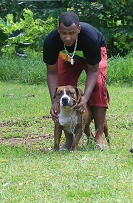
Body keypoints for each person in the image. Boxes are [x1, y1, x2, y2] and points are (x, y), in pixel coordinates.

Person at [43, 11, 109, 148]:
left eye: (72, 33)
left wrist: (84, 99)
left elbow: (93, 70)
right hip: (67, 57)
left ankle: (99, 135)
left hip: (93, 58)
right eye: (63, 33)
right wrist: (55, 101)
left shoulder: (90, 38)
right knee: (63, 88)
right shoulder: (51, 41)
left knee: (98, 85)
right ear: (58, 29)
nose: (67, 37)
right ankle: (69, 140)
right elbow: (52, 73)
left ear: (78, 29)